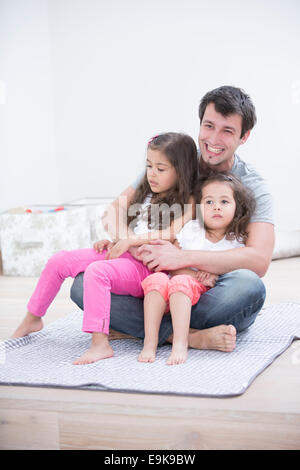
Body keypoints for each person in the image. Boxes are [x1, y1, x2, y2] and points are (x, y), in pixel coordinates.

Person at [70, 85, 275, 353]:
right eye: (209, 126)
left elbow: (258, 260)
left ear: (244, 137)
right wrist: (132, 245)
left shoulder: (253, 184)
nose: (213, 138)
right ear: (200, 124)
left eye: (227, 131)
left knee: (249, 287)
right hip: (150, 278)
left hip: (203, 286)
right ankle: (189, 337)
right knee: (82, 285)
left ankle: (147, 328)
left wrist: (182, 259)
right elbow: (114, 211)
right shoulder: (174, 161)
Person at [11, 132, 199, 364]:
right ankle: (33, 318)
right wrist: (119, 241)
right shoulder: (145, 192)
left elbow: (170, 232)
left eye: (161, 169)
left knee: (97, 272)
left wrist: (130, 242)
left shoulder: (188, 199)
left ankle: (100, 344)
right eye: (149, 165)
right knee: (59, 260)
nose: (152, 173)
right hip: (125, 254)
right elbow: (115, 216)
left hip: (147, 267)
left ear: (181, 171)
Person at [139, 173, 256, 365]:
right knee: (157, 280)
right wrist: (194, 274)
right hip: (171, 294)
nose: (216, 207)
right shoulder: (191, 230)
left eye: (224, 202)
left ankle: (180, 341)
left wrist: (214, 275)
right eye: (209, 202)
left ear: (237, 208)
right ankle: (150, 341)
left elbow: (232, 278)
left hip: (202, 302)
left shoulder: (236, 240)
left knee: (181, 282)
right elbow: (171, 264)